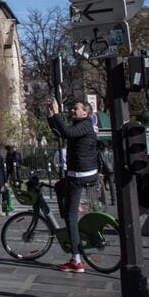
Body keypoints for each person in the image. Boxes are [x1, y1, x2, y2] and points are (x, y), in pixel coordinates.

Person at [47, 97, 97, 273]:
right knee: (60, 187)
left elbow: (67, 133)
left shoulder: (85, 125)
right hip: (77, 174)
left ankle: (76, 260)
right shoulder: (80, 125)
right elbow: (60, 132)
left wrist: (58, 114)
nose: (72, 111)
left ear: (85, 112)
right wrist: (52, 115)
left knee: (70, 217)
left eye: (75, 109)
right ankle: (70, 211)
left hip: (80, 175)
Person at [97, 141, 115, 206]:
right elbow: (113, 161)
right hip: (111, 170)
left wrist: (100, 172)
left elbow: (101, 164)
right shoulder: (111, 152)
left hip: (104, 171)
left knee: (102, 186)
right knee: (112, 185)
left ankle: (104, 200)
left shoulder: (100, 153)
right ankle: (114, 200)